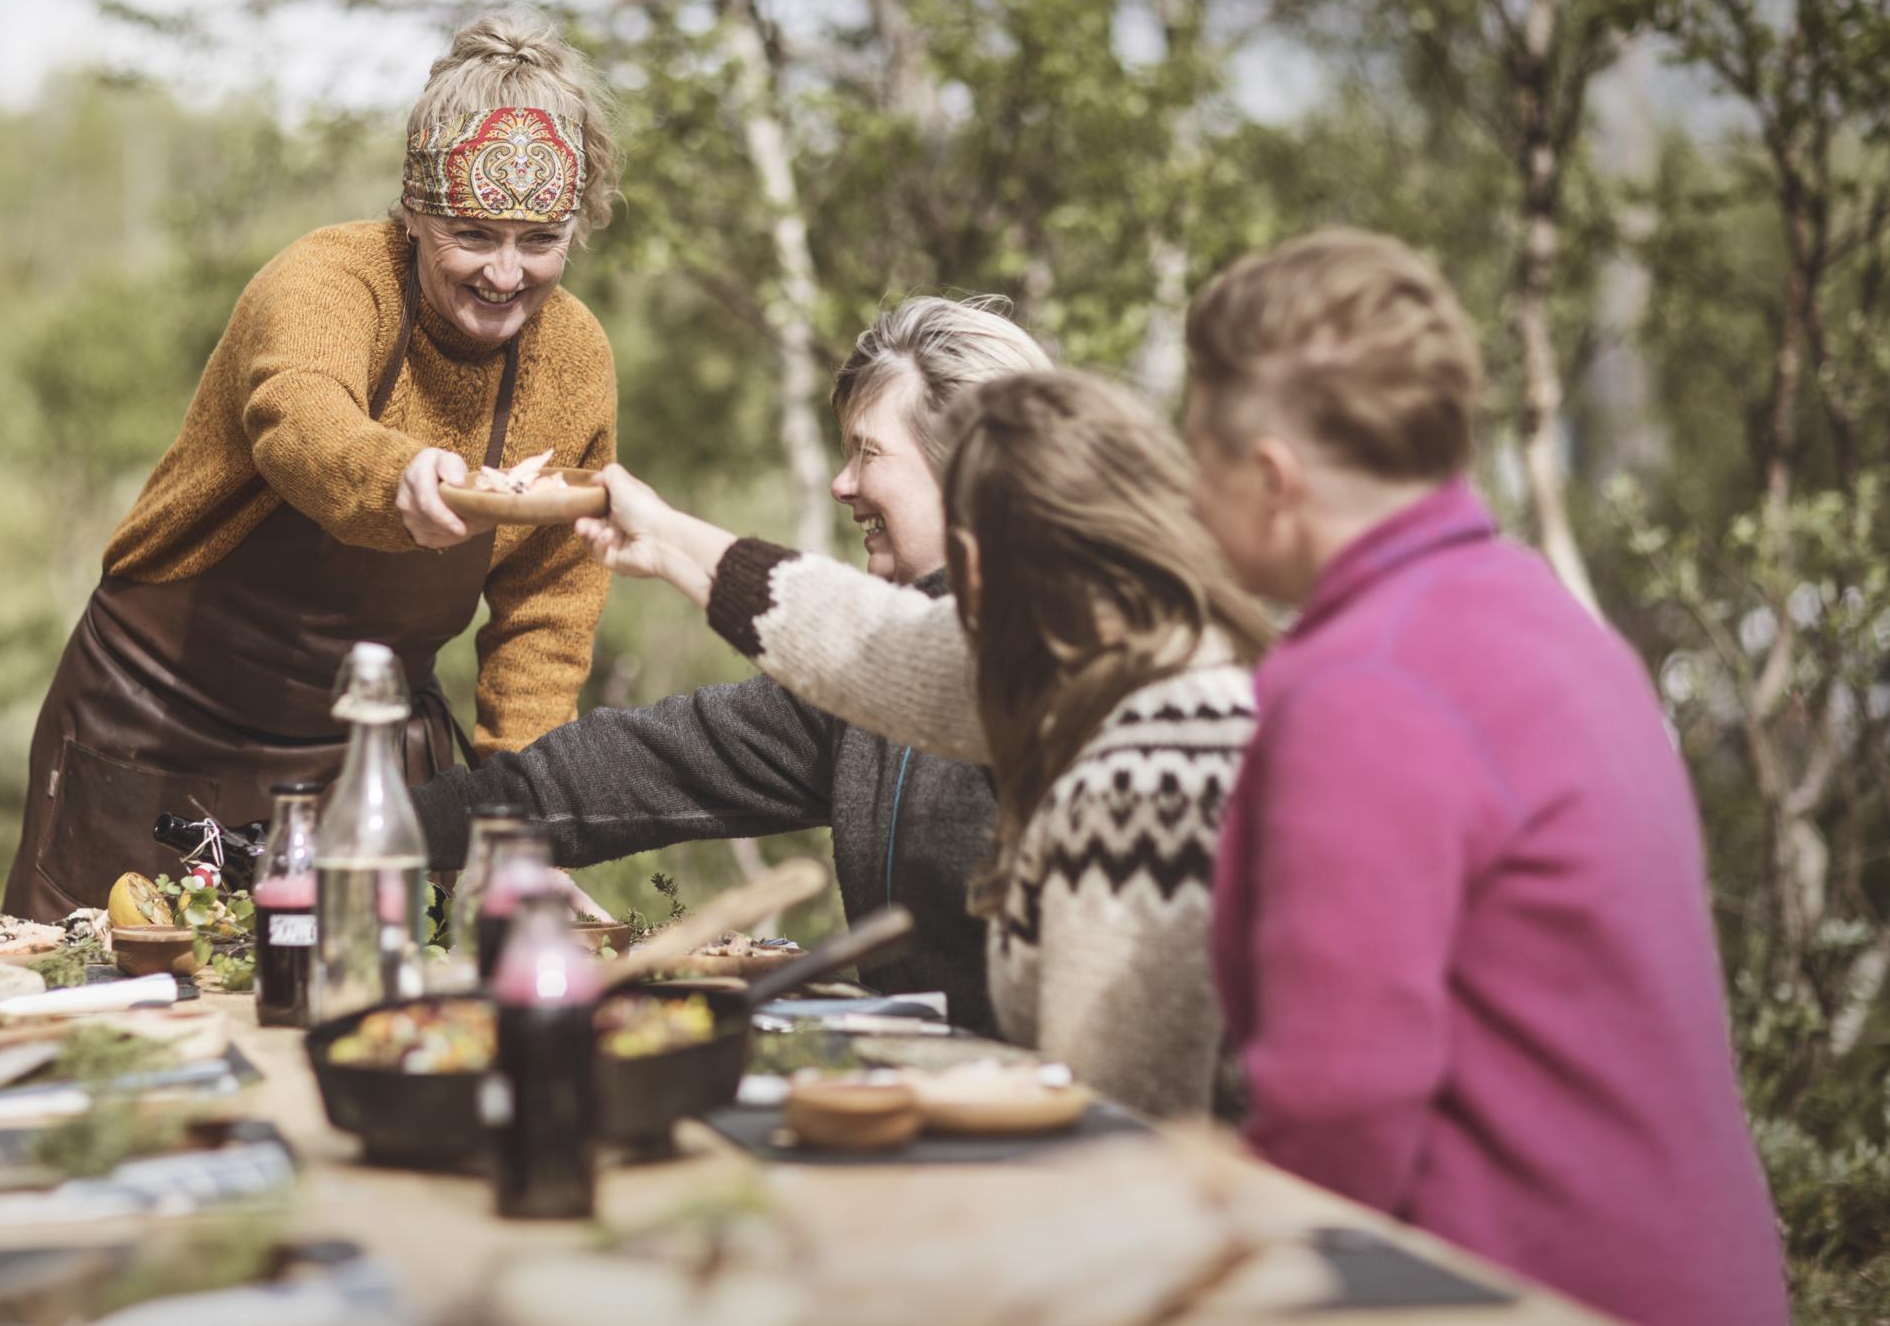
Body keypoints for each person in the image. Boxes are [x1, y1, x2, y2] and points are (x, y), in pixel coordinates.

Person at [1176, 228, 1787, 1326]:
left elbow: (1335, 1108)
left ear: (1271, 479)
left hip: (1523, 1295)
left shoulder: (1362, 681)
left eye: (1196, 460)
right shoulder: (1541, 613)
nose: (1183, 494)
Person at [3, 9, 624, 919]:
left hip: (359, 760)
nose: (505, 274)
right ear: (414, 212)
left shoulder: (573, 359)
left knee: (360, 1008)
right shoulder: (329, 280)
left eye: (539, 241)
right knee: (108, 999)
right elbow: (296, 414)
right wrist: (399, 476)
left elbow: (549, 610)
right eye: (473, 235)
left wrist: (515, 823)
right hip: (158, 723)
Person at [557, 371, 1269, 1116]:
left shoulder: (1150, 761)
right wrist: (667, 539)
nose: (947, 608)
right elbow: (859, 635)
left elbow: (1128, 1111)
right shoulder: (1098, 659)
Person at [410, 296, 1049, 1033]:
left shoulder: (1050, 646)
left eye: (867, 452)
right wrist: (393, 830)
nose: (843, 484)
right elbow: (641, 765)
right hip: (922, 1099)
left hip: (1068, 1117)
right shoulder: (859, 686)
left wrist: (671, 538)